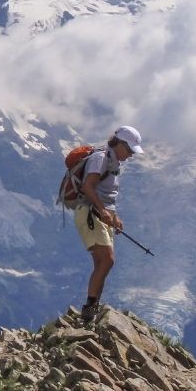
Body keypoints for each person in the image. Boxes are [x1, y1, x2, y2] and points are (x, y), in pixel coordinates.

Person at [75, 125, 143, 322]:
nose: (130, 155)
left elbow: (107, 195)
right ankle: (89, 310)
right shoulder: (101, 158)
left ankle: (92, 307)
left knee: (103, 262)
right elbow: (88, 186)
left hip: (99, 214)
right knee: (107, 260)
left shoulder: (113, 163)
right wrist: (103, 211)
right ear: (119, 144)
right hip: (89, 213)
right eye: (129, 150)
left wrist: (114, 217)